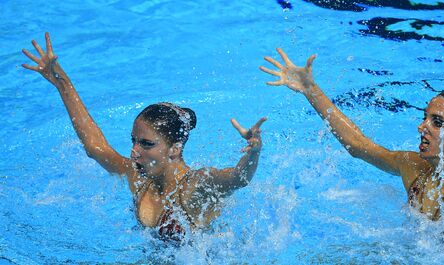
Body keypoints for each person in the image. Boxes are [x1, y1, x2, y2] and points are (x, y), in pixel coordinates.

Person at [22, 32, 267, 241]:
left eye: (147, 144)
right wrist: (61, 81)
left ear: (175, 148)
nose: (134, 151)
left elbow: (238, 178)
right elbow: (95, 147)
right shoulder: (139, 178)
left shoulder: (196, 185)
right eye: (134, 141)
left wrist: (254, 150)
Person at [260, 48, 444, 221]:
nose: (422, 126)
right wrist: (310, 89)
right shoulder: (412, 166)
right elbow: (357, 145)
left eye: (437, 122)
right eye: (424, 118)